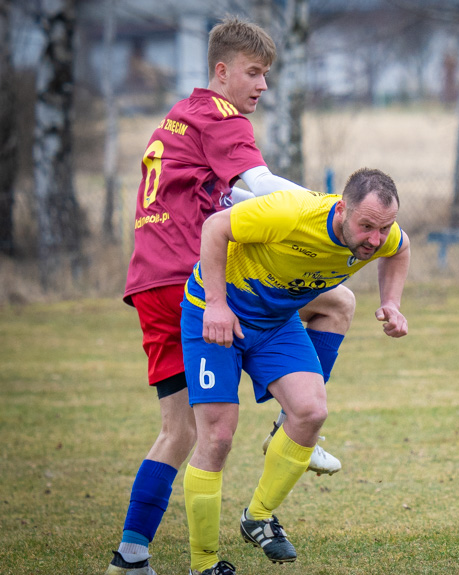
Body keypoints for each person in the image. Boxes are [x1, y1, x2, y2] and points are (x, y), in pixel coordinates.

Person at [107, 16, 348, 575]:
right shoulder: (223, 115)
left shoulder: (180, 116)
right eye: (254, 73)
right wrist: (325, 207)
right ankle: (291, 432)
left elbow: (234, 189)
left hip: (148, 283)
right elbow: (260, 186)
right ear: (222, 71)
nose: (262, 86)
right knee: (338, 304)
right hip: (195, 279)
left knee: (178, 429)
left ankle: (131, 554)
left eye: (267, 75)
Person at [179, 168, 410, 575]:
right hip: (215, 314)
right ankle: (204, 564)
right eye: (366, 226)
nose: (375, 239)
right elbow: (216, 227)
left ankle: (258, 516)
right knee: (217, 436)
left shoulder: (383, 236)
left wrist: (391, 302)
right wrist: (215, 303)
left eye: (383, 228)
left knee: (310, 412)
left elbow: (400, 248)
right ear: (342, 210)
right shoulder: (290, 213)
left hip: (274, 323)